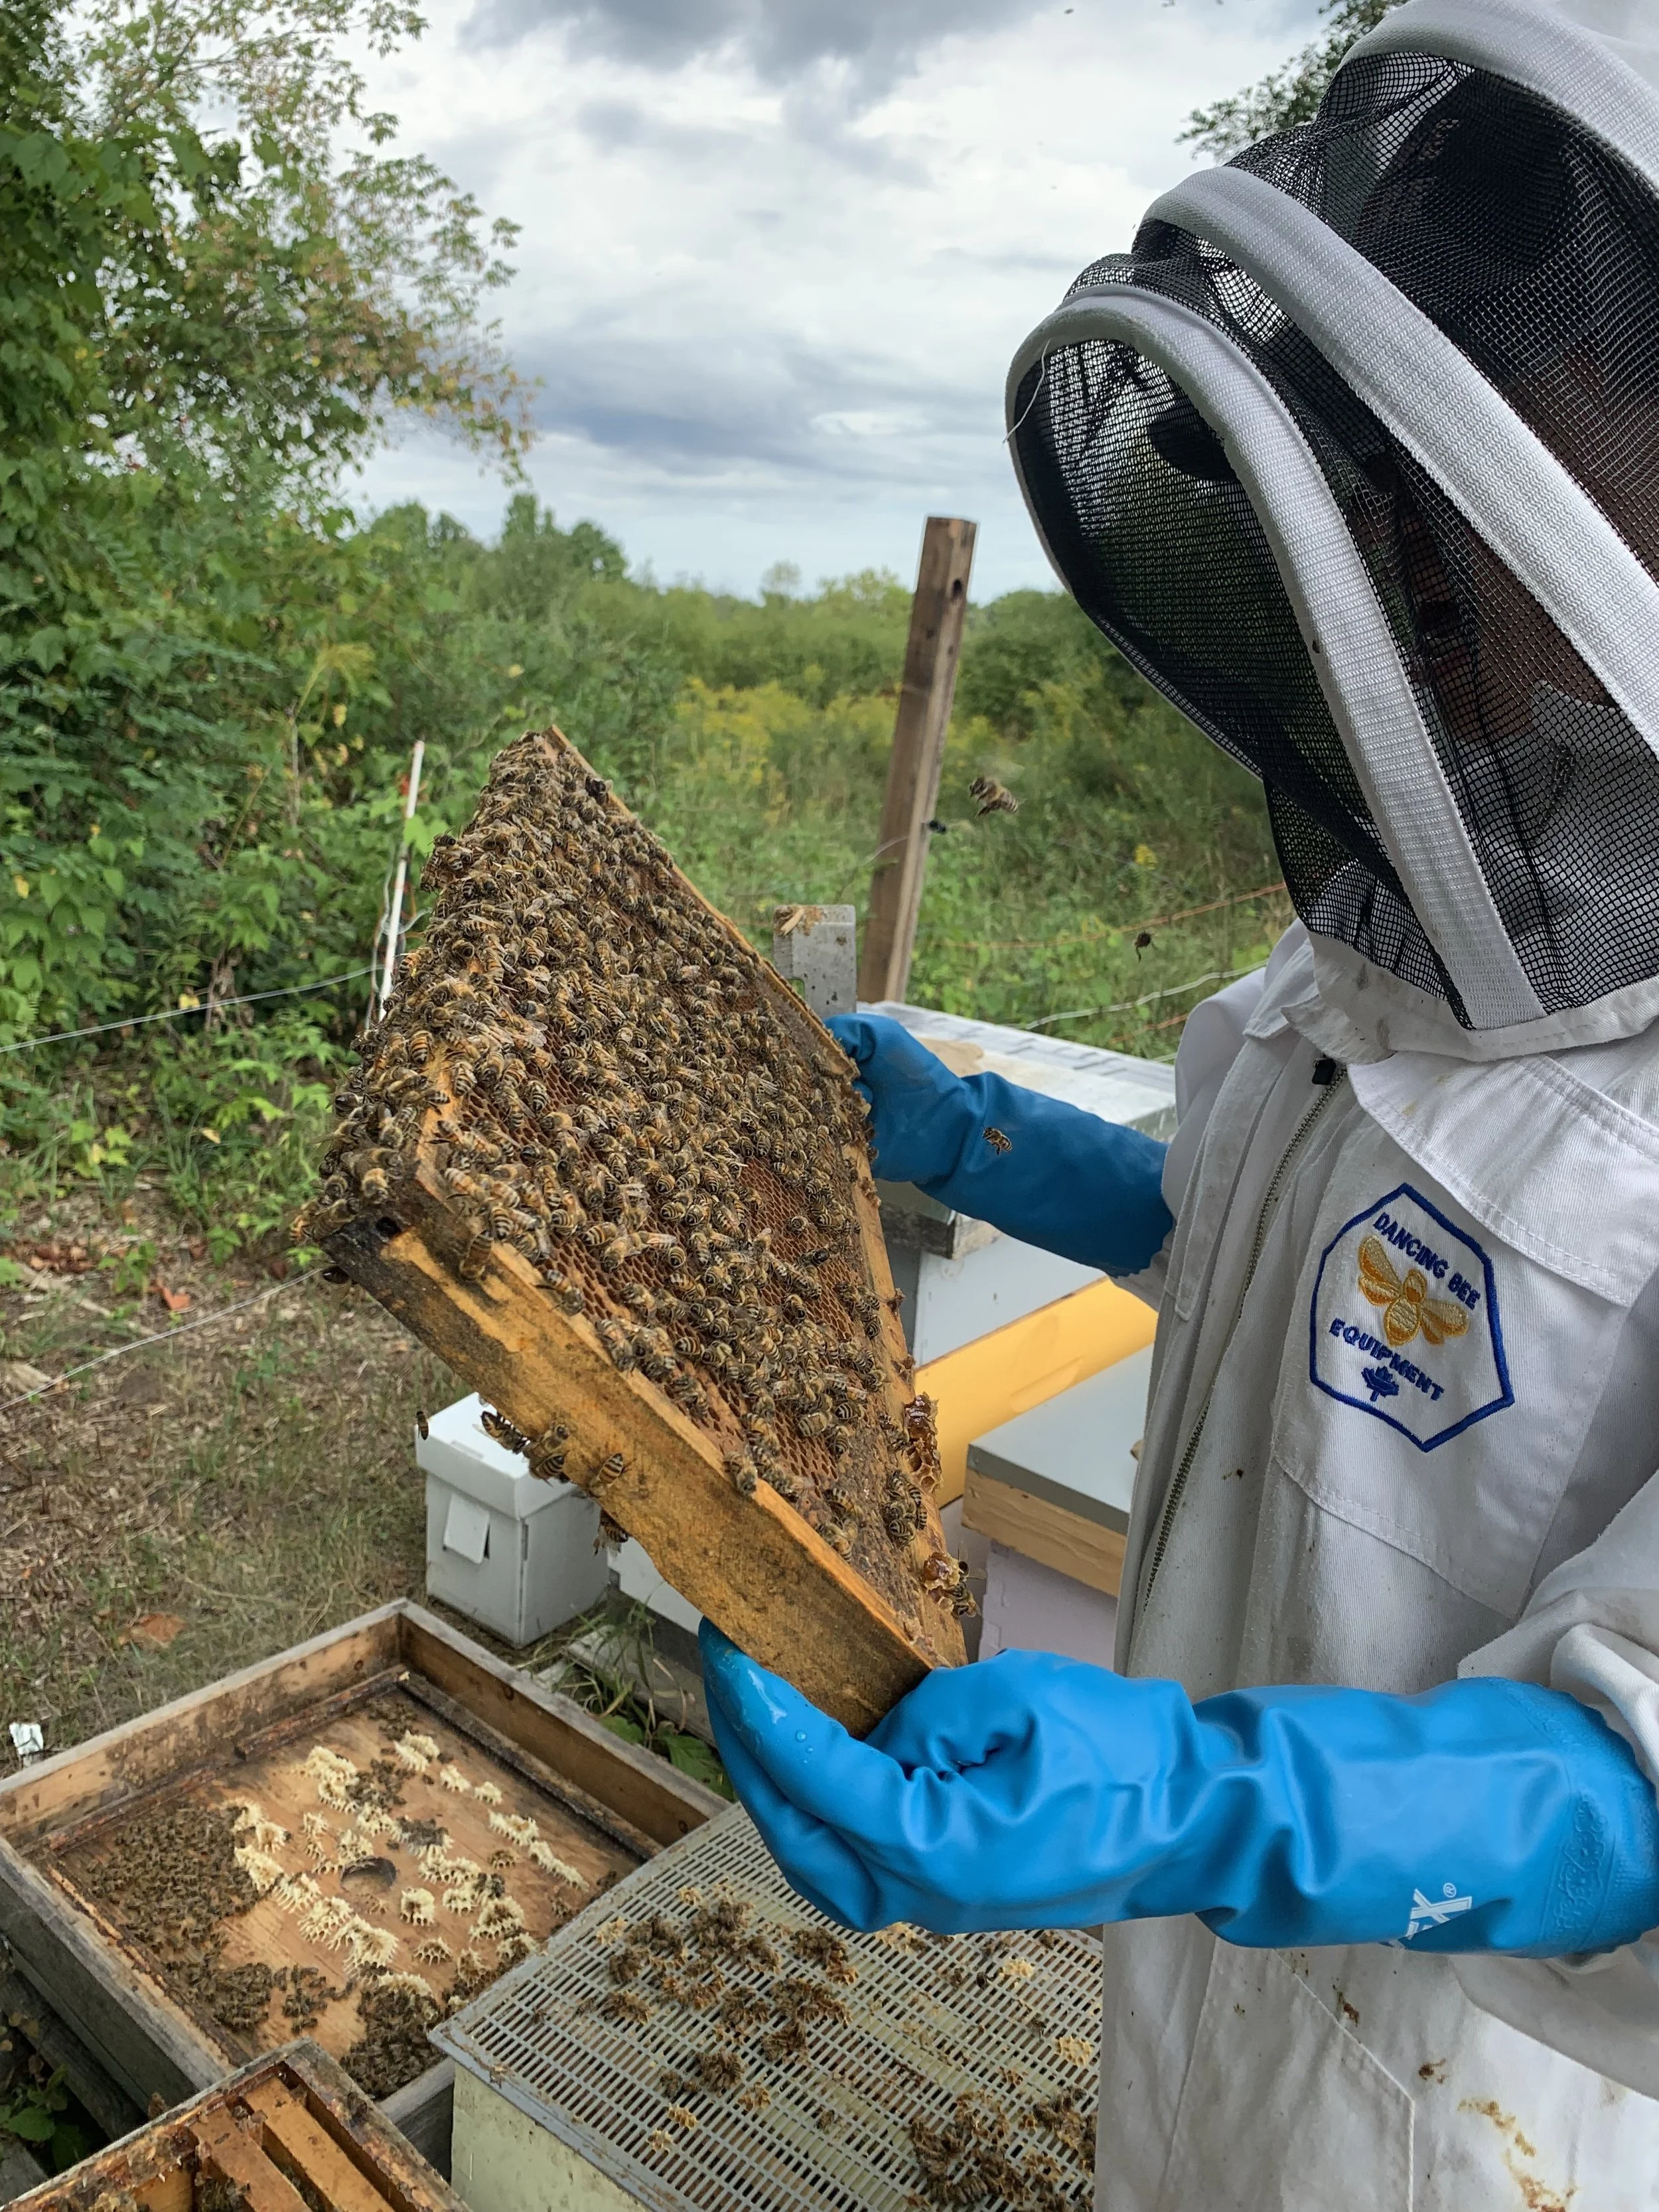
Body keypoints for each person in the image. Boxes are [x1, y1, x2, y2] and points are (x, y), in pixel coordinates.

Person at [699, 4, 1659, 2204]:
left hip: (1490, 2129)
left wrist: (1205, 1800)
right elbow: (1303, 1253)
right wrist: (993, 1143)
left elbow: (1637, 1783)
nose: (1438, 578)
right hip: (1198, 2042)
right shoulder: (1401, 937)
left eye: (1524, 474)